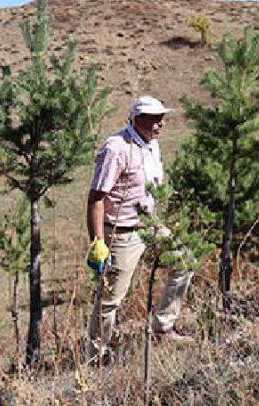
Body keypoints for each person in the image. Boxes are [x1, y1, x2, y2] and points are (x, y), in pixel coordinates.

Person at [86, 95, 192, 360]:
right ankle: (96, 356)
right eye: (154, 119)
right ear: (136, 118)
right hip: (120, 233)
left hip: (149, 225)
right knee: (110, 299)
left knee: (184, 261)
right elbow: (96, 198)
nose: (160, 124)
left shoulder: (152, 145)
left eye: (162, 118)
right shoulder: (116, 149)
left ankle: (163, 328)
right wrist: (97, 242)